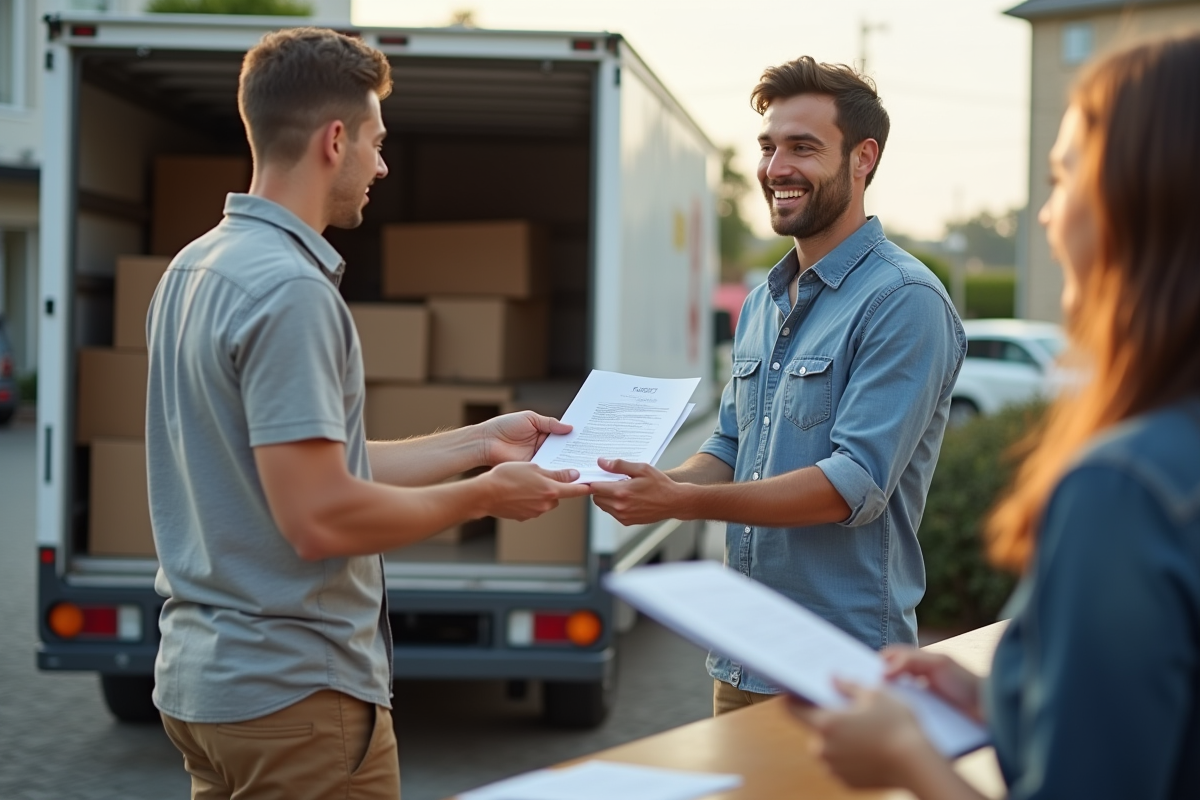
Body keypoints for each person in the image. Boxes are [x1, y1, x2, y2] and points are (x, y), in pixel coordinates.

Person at [146, 28, 590, 799]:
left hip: (210, 692)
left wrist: (483, 441)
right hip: (296, 701)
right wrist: (488, 497)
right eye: (378, 143)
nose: (382, 166)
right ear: (335, 139)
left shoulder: (196, 266)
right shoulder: (292, 292)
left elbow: (316, 469)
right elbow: (321, 518)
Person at [792, 33, 1200, 800]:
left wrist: (909, 761)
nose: (1046, 216)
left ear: (1140, 200)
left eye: (1062, 178)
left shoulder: (1126, 490)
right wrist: (994, 701)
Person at [591, 57, 965, 716]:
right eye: (768, 147)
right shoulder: (765, 299)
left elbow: (853, 485)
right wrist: (650, 483)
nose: (775, 168)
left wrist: (678, 502)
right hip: (741, 661)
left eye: (802, 147)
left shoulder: (904, 301)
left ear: (862, 158)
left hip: (842, 676)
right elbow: (732, 445)